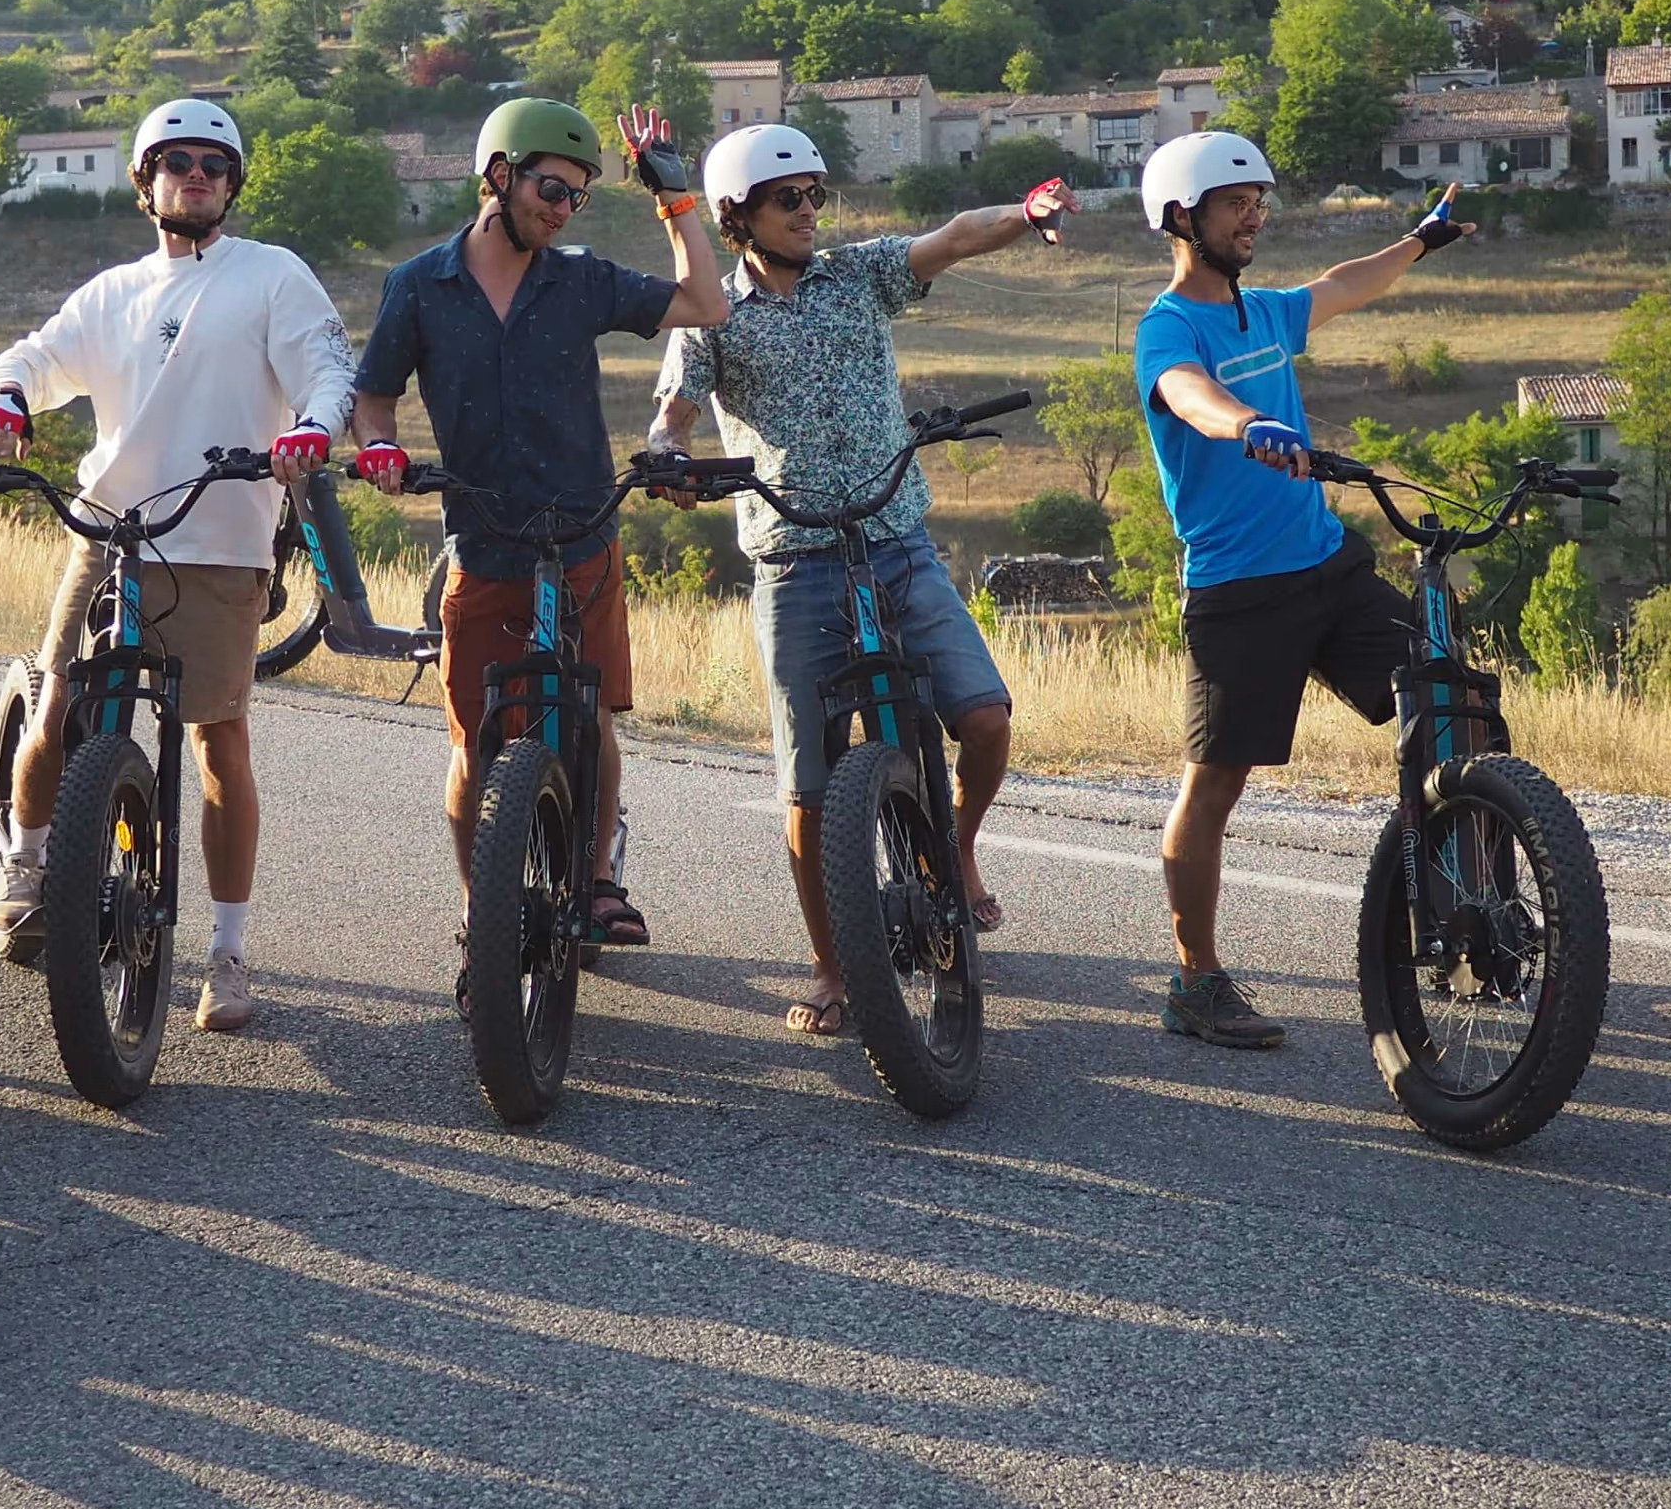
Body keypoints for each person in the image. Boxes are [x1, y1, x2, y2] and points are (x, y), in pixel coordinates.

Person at [647, 125, 1068, 1034]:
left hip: (897, 544)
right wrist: (667, 458)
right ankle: (832, 968)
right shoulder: (717, 312)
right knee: (807, 791)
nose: (807, 211)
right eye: (786, 198)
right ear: (738, 216)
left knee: (986, 718)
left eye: (814, 195)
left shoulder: (858, 274)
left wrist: (1025, 214)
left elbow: (954, 236)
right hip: (795, 565)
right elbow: (673, 416)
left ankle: (953, 850)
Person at [0, 98, 359, 1037]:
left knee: (218, 739)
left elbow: (326, 369)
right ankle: (26, 862)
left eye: (214, 166)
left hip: (220, 538)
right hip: (110, 528)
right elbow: (37, 356)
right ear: (145, 181)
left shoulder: (271, 275)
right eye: (175, 162)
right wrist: (9, 396)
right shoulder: (114, 293)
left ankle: (225, 952)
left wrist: (312, 425)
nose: (196, 176)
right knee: (57, 702)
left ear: (232, 184)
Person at [347, 95, 726, 957]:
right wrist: (379, 449)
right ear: (498, 176)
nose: (560, 210)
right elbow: (373, 398)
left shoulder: (582, 278)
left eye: (576, 198)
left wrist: (674, 198)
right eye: (551, 189)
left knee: (588, 718)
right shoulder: (419, 286)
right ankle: (484, 912)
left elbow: (707, 303)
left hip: (584, 532)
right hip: (482, 538)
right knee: (476, 741)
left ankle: (597, 881)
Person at [1130, 132, 1474, 1049]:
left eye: (1259, 200)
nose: (1255, 215)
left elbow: (1342, 284)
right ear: (1181, 217)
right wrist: (1248, 426)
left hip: (1327, 568)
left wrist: (1418, 243)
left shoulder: (1263, 311)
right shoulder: (1169, 325)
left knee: (1455, 703)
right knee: (1214, 786)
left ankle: (1458, 914)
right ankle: (1195, 981)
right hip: (1239, 592)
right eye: (1235, 201)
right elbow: (1187, 392)